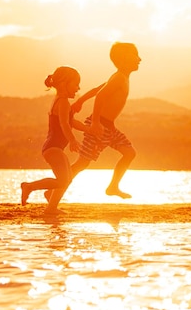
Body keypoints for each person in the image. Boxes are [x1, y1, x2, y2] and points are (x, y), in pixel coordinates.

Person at [47, 42, 141, 203]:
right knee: (82, 163)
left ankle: (113, 187)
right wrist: (96, 123)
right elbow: (100, 96)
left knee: (130, 153)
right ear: (124, 59)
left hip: (109, 127)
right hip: (99, 126)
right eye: (135, 55)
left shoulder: (120, 77)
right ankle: (54, 191)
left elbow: (97, 89)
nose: (140, 59)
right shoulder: (118, 78)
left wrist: (80, 102)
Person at [20, 66, 89, 215]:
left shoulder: (59, 101)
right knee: (64, 180)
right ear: (64, 83)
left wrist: (88, 129)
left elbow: (71, 122)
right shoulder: (63, 102)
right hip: (54, 148)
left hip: (52, 148)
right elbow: (65, 124)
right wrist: (72, 140)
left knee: (66, 178)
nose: (78, 88)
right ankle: (29, 186)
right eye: (76, 84)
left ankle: (50, 204)